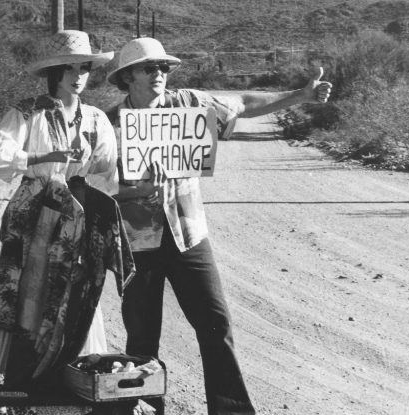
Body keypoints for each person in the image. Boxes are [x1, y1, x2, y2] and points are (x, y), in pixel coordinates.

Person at [105, 37, 332, 415]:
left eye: (164, 67)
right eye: (150, 68)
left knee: (215, 324)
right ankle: (143, 406)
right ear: (128, 77)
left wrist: (299, 96)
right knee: (142, 336)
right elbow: (96, 186)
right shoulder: (110, 124)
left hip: (188, 234)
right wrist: (134, 189)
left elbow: (242, 104)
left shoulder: (189, 104)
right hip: (136, 242)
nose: (160, 73)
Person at [0, 30, 133, 389]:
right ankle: (25, 376)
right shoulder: (27, 111)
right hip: (35, 215)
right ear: (54, 72)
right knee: (30, 290)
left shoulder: (95, 118)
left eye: (84, 68)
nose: (78, 76)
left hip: (77, 213)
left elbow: (108, 170)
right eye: (69, 68)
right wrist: (48, 157)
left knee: (75, 288)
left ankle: (68, 372)